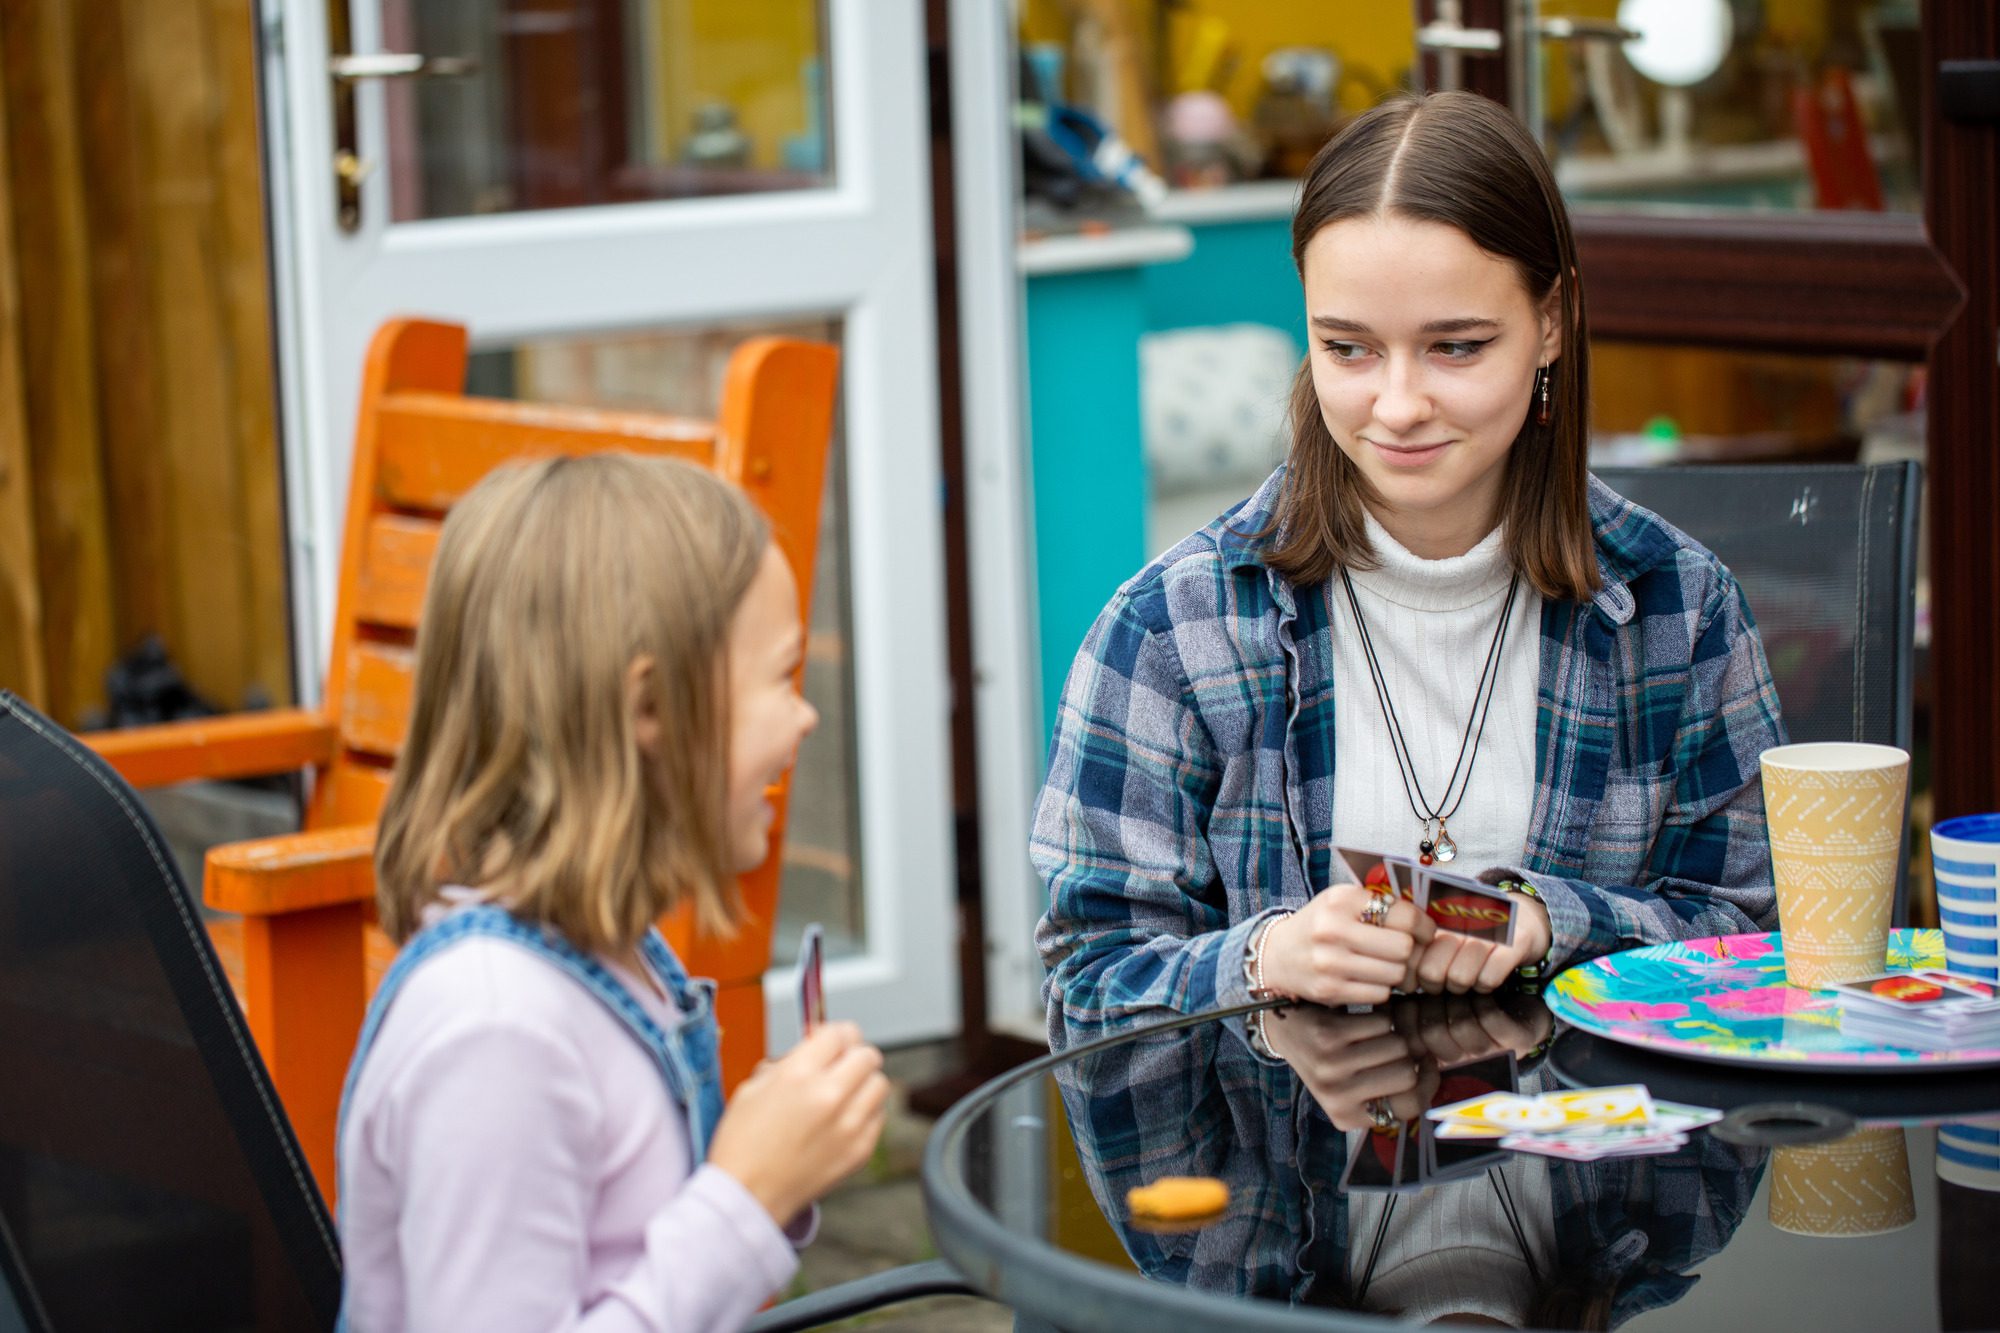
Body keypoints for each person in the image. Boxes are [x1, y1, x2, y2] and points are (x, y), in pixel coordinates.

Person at [1033, 90, 1784, 1053]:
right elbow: (1086, 984)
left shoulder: (1680, 610)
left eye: (1455, 348)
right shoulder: (1175, 627)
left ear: (1551, 323)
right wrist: (1266, 961)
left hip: (1601, 1192)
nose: (1396, 405)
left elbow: (1759, 948)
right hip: (1284, 1190)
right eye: (1347, 348)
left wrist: (1557, 925)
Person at [338, 454, 889, 1331]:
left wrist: (776, 1167)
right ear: (651, 707)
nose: (805, 714)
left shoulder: (614, 958)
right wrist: (744, 1196)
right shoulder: (495, 1031)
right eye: (782, 678)